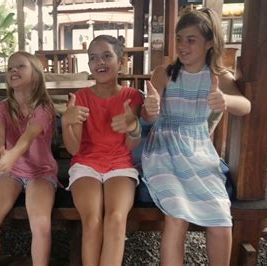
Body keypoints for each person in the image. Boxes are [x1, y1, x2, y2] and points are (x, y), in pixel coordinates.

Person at [141, 8, 251, 265]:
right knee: (176, 215)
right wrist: (151, 109)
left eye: (191, 40)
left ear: (209, 42)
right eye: (179, 39)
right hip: (163, 148)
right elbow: (148, 117)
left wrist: (226, 100)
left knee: (221, 217)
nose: (182, 46)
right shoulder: (164, 73)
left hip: (199, 149)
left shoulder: (218, 77)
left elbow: (245, 106)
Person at [61, 35, 143, 266]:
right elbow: (73, 148)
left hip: (120, 164)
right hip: (86, 164)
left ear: (121, 60)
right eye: (93, 58)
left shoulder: (132, 96)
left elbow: (130, 145)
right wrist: (67, 122)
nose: (100, 62)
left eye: (107, 55)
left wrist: (134, 126)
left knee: (116, 219)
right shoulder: (81, 97)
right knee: (92, 220)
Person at [0, 51, 57, 266]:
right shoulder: (1, 108)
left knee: (40, 224)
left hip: (41, 173)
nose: (13, 70)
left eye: (20, 66)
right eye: (10, 67)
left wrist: (11, 155)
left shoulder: (44, 108)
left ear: (36, 75)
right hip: (12, 172)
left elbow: (28, 137)